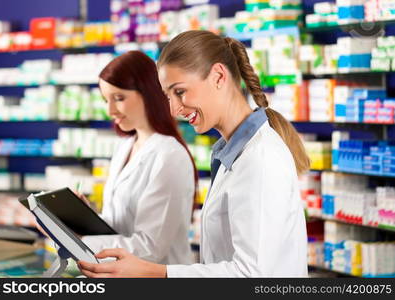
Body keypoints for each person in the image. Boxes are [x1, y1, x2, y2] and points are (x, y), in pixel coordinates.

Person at [78, 30, 310, 277]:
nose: (175, 109)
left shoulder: (259, 158)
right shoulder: (231, 152)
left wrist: (157, 272)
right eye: (168, 96)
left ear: (219, 76)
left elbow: (251, 274)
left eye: (180, 92)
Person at [60, 50, 197, 265]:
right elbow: (120, 227)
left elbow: (150, 247)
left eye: (119, 98)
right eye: (106, 100)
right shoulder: (125, 147)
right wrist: (87, 220)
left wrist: (83, 242)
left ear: (149, 93)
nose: (110, 110)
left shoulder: (170, 156)